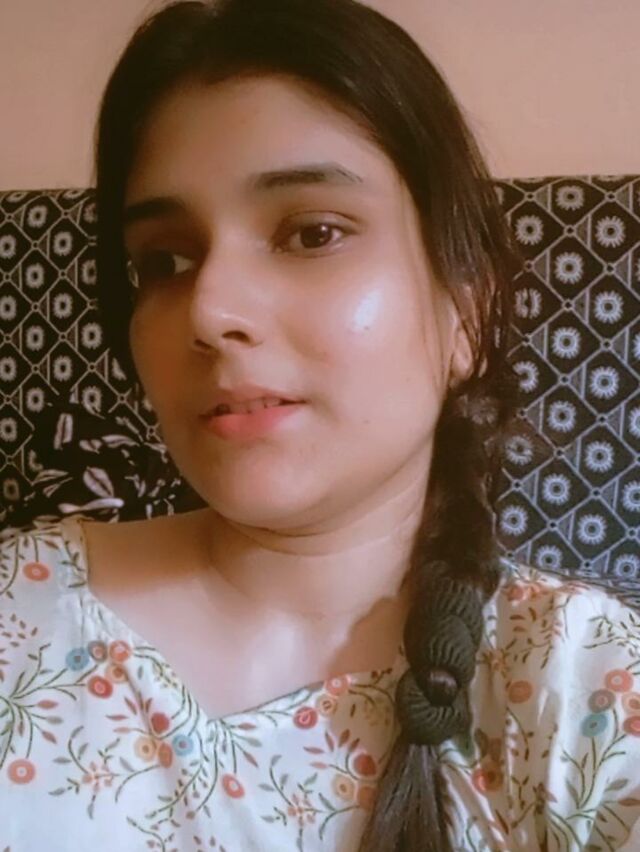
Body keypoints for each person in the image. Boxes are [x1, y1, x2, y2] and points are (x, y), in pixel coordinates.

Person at [1, 0, 639, 849]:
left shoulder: (584, 680)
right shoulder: (19, 613)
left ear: (467, 313)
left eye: (313, 233)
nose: (209, 309)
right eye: (165, 261)